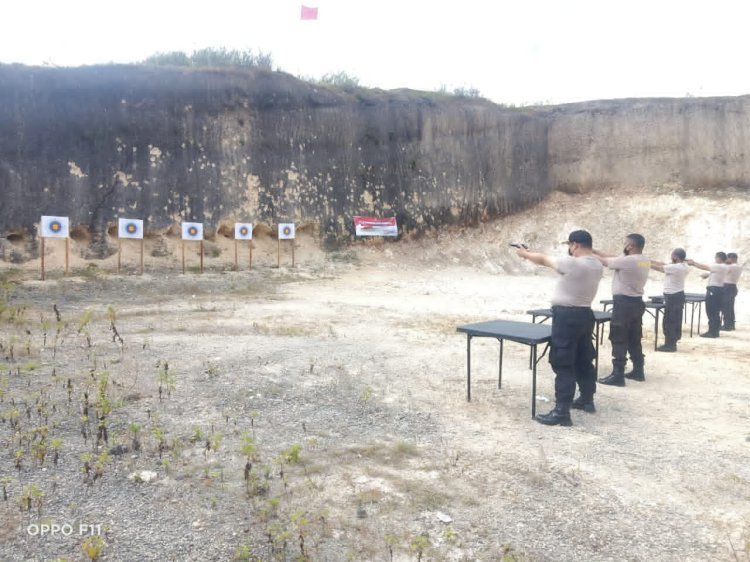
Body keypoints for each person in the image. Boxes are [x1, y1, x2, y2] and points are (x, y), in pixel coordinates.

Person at [516, 230, 603, 426]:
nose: (569, 249)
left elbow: (545, 259)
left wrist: (526, 255)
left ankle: (561, 412)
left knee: (563, 363)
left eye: (569, 246)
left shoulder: (574, 263)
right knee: (583, 358)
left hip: (567, 317)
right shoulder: (596, 264)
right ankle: (586, 400)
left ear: (575, 245)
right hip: (585, 315)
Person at [593, 234, 651, 385]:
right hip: (637, 303)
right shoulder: (644, 261)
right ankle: (639, 370)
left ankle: (618, 374)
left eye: (625, 243)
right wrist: (594, 250)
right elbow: (614, 257)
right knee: (634, 337)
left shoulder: (628, 261)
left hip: (624, 304)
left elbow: (606, 261)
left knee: (619, 337)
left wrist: (586, 252)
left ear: (630, 246)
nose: (624, 245)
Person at [650, 248, 690, 352]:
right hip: (677, 295)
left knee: (670, 321)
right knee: (675, 320)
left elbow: (658, 268)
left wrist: (641, 263)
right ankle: (672, 343)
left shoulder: (675, 267)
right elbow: (663, 263)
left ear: (675, 257)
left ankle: (670, 345)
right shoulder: (683, 266)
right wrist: (646, 260)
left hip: (673, 297)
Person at [687, 252, 727, 338]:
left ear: (719, 258)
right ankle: (715, 331)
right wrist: (708, 275)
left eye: (716, 258)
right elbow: (713, 272)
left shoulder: (718, 266)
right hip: (719, 290)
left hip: (714, 290)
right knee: (715, 312)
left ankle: (712, 332)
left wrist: (693, 263)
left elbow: (703, 266)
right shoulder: (723, 267)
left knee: (711, 311)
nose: (715, 259)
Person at [721, 253, 742, 331]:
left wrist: (724, 263)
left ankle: (727, 325)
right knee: (730, 307)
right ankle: (731, 324)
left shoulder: (732, 266)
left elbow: (721, 269)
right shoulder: (738, 266)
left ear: (731, 258)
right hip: (732, 287)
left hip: (728, 287)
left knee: (726, 307)